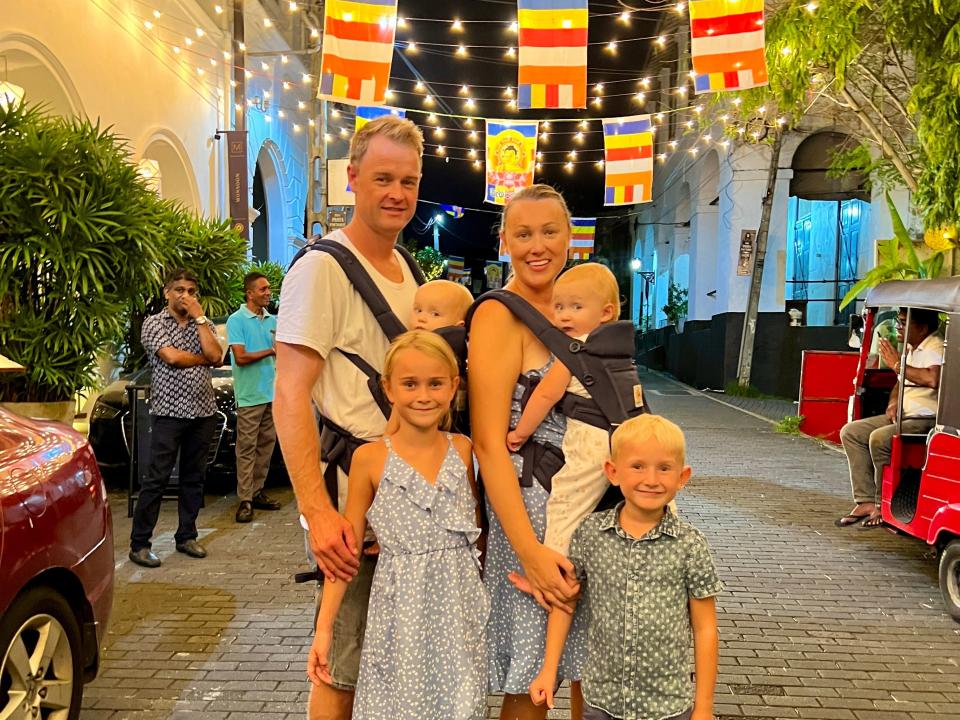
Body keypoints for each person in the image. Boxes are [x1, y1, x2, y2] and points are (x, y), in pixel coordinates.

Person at [273, 115, 423, 719]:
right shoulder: (321, 268)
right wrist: (317, 512)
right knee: (341, 663)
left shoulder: (407, 269)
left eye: (408, 181)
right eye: (383, 178)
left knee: (389, 659)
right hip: (352, 499)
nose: (396, 193)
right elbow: (290, 394)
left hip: (409, 494)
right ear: (352, 179)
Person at [308, 330, 488, 720]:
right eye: (410, 384)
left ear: (454, 386)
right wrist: (324, 631)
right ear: (389, 389)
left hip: (458, 613)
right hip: (399, 615)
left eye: (435, 383)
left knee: (460, 705)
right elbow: (348, 549)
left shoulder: (464, 449)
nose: (423, 395)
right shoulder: (370, 459)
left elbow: (478, 532)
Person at [469, 184, 585, 720]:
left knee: (594, 662)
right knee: (529, 674)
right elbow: (490, 443)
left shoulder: (582, 303)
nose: (537, 246)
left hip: (592, 501)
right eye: (523, 233)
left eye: (549, 231)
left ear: (571, 237)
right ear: (504, 242)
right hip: (530, 512)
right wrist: (528, 553)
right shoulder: (498, 315)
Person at [529, 414, 723, 720]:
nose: (651, 479)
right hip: (602, 701)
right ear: (613, 471)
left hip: (668, 705)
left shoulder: (690, 544)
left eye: (664, 468)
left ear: (682, 477)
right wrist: (548, 671)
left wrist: (704, 707)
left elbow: (705, 627)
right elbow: (565, 603)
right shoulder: (590, 534)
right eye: (637, 466)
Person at [506, 262, 619, 556]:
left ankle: (556, 568)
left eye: (576, 307)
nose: (564, 315)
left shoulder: (577, 351)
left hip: (591, 444)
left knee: (566, 504)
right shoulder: (619, 348)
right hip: (624, 437)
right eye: (558, 307)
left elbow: (545, 395)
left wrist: (520, 433)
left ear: (606, 312)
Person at [129, 268, 224, 568]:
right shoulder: (154, 323)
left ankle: (186, 536)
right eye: (180, 290)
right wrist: (200, 360)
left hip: (202, 412)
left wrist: (198, 318)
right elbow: (170, 357)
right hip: (169, 412)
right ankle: (140, 544)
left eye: (191, 291)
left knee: (194, 478)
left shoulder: (203, 323)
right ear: (166, 292)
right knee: (156, 478)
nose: (186, 296)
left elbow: (217, 356)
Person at [837, 308, 944, 529]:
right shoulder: (909, 348)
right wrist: (893, 402)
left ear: (922, 328)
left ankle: (882, 504)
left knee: (879, 438)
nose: (898, 327)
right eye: (899, 321)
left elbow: (932, 379)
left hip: (925, 417)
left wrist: (897, 364)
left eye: (904, 323)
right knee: (852, 432)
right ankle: (865, 500)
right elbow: (899, 381)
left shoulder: (935, 346)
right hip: (904, 413)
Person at [227, 271, 282, 523]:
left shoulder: (273, 320)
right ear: (250, 293)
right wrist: (271, 351)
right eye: (263, 289)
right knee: (246, 449)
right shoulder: (236, 320)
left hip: (271, 394)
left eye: (269, 288)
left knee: (265, 447)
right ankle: (245, 500)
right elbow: (240, 356)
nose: (268, 292)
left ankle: (257, 492)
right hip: (250, 396)